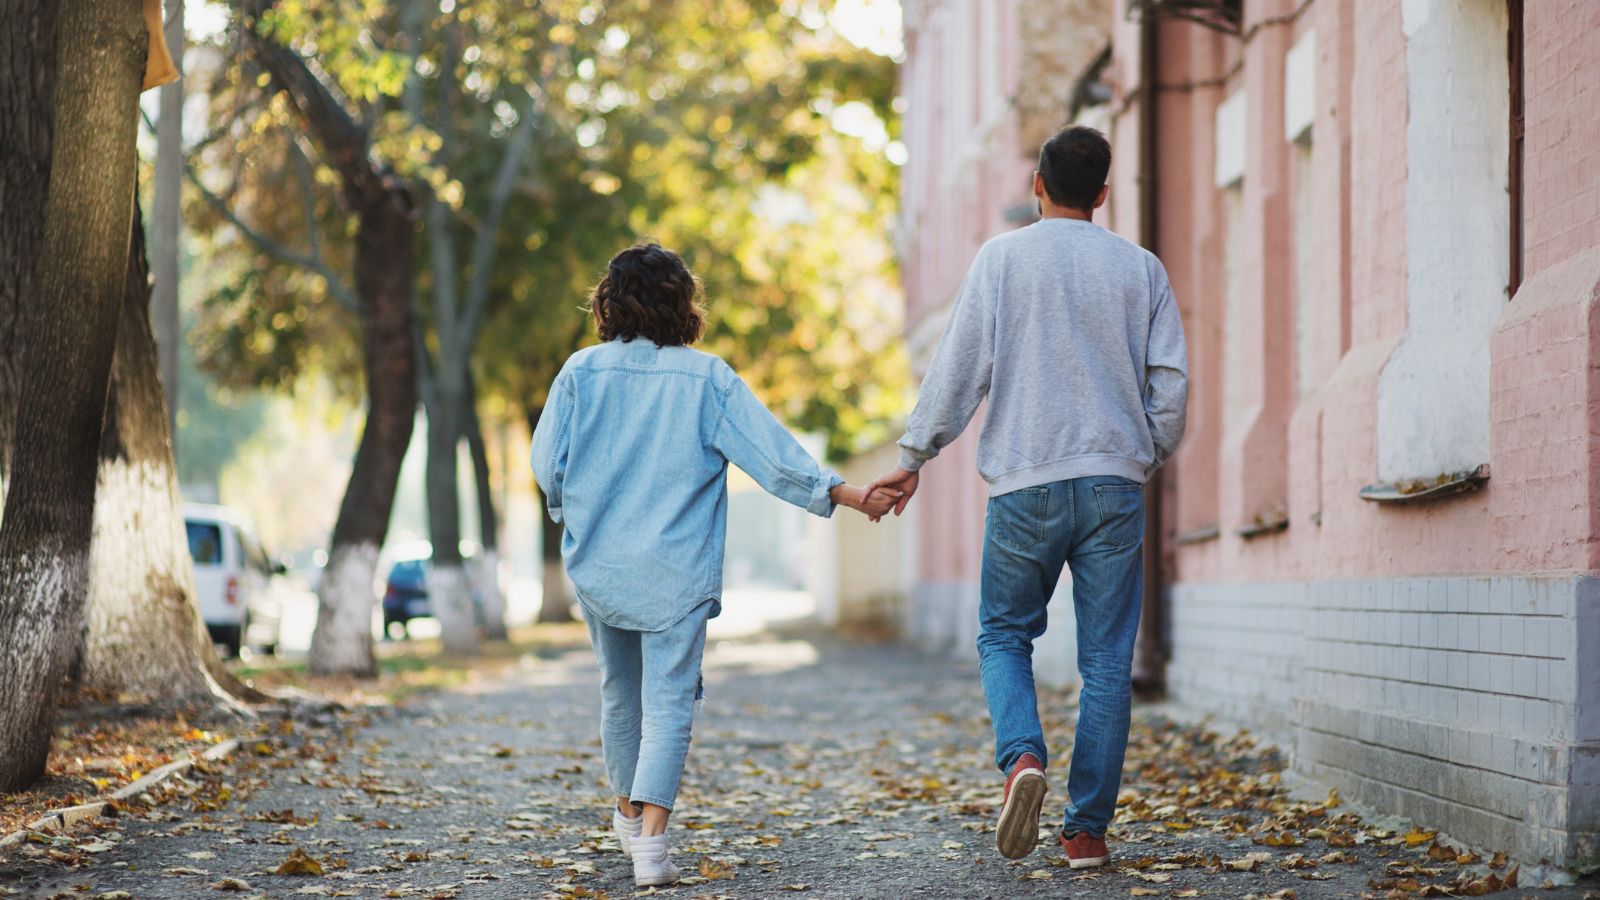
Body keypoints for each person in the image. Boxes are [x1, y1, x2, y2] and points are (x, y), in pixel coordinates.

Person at [530, 242, 899, 888]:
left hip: (600, 566)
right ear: (683, 303)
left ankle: (627, 814)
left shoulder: (579, 373)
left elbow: (546, 466)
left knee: (620, 693)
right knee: (669, 702)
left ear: (609, 303)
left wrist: (575, 512)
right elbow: (773, 457)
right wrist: (845, 495)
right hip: (676, 571)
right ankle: (651, 844)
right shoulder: (707, 380)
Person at [868, 125, 1188, 868]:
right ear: (1102, 192)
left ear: (1036, 185)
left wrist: (914, 456)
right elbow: (1169, 384)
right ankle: (1086, 833)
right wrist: (1140, 454)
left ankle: (1021, 760)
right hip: (1113, 482)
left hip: (1024, 483)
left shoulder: (1002, 260)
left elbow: (959, 370)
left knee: (1005, 634)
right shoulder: (1141, 269)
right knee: (1107, 661)